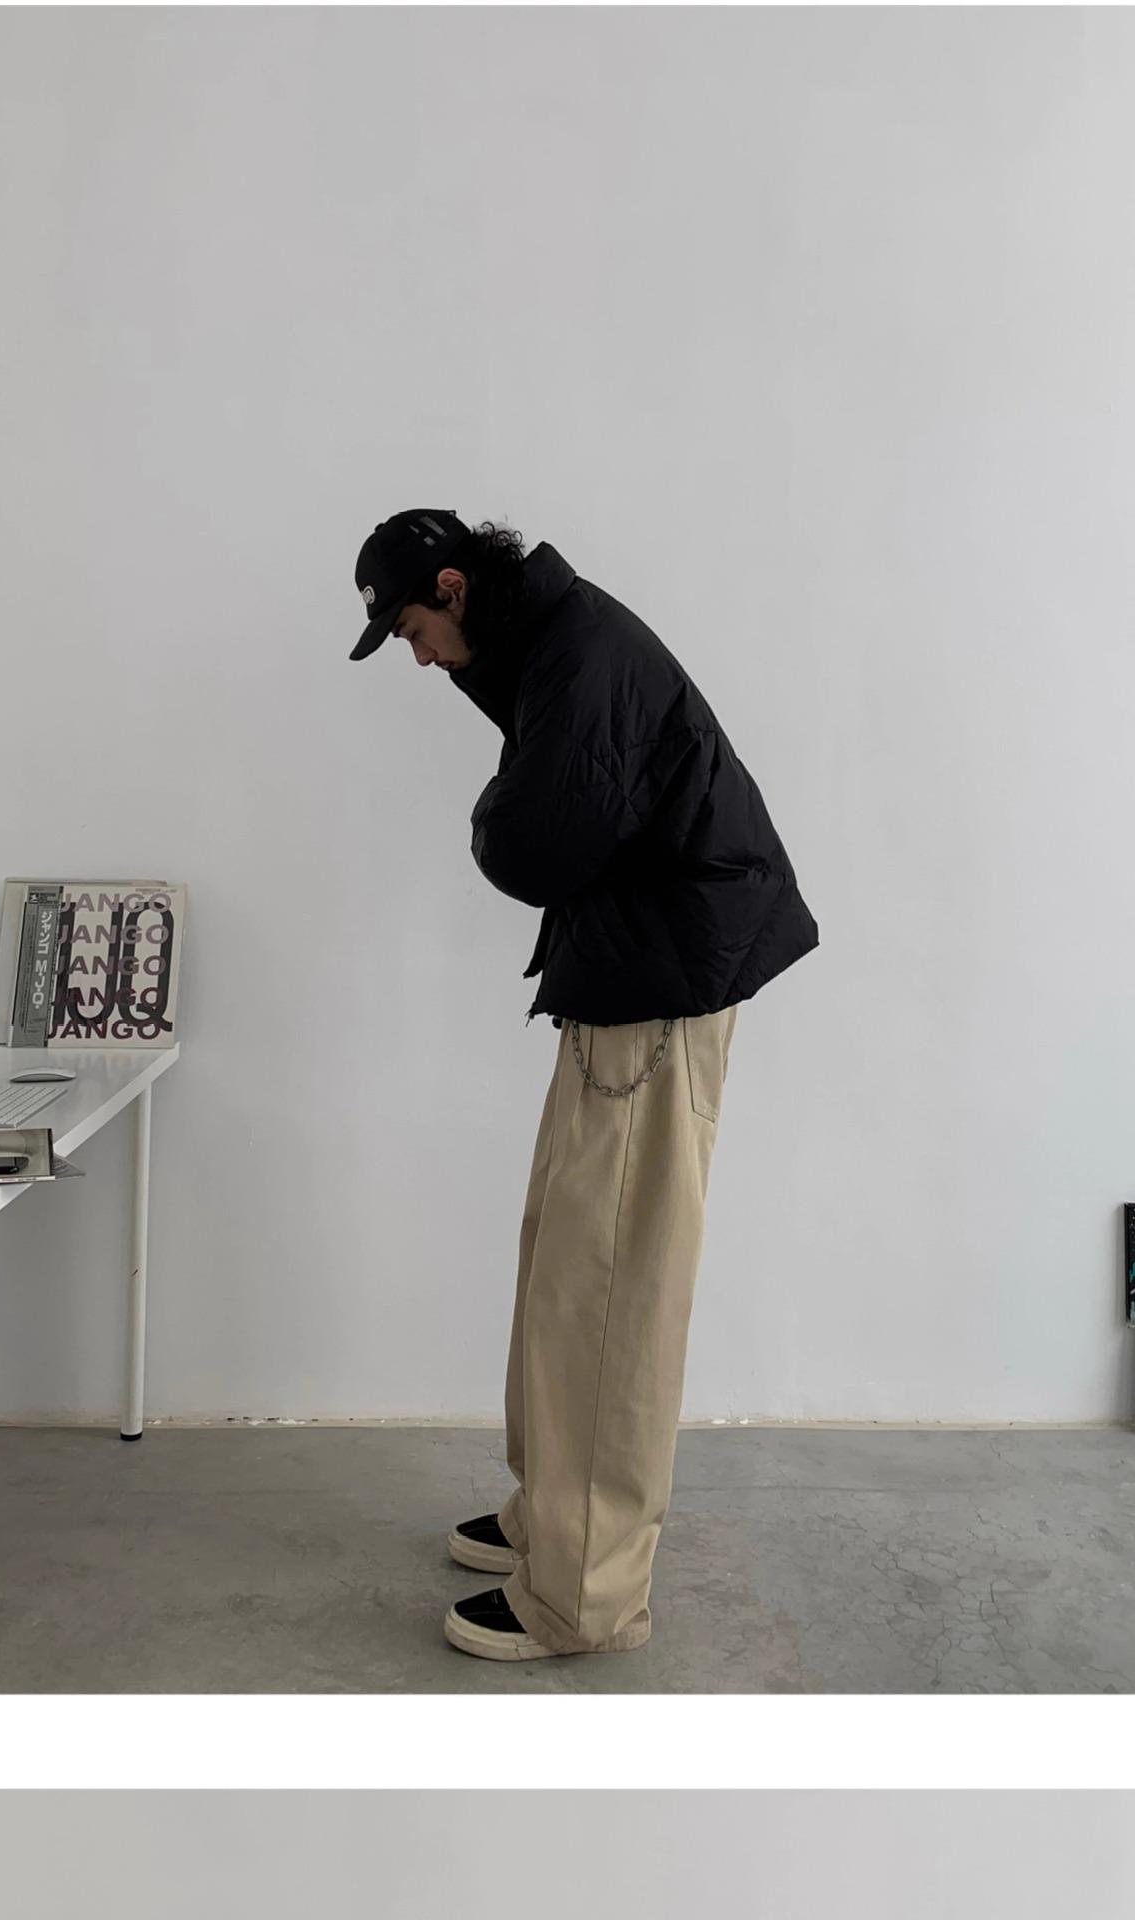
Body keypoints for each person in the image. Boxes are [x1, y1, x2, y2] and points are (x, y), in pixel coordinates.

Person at [350, 509, 819, 1661]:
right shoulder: (549, 645)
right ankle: (550, 1517)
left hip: (656, 982)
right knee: (561, 1255)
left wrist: (487, 816)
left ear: (451, 588)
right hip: (623, 970)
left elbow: (532, 846)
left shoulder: (577, 654)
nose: (417, 657)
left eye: (410, 630)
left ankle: (586, 1592)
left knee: (608, 1289)